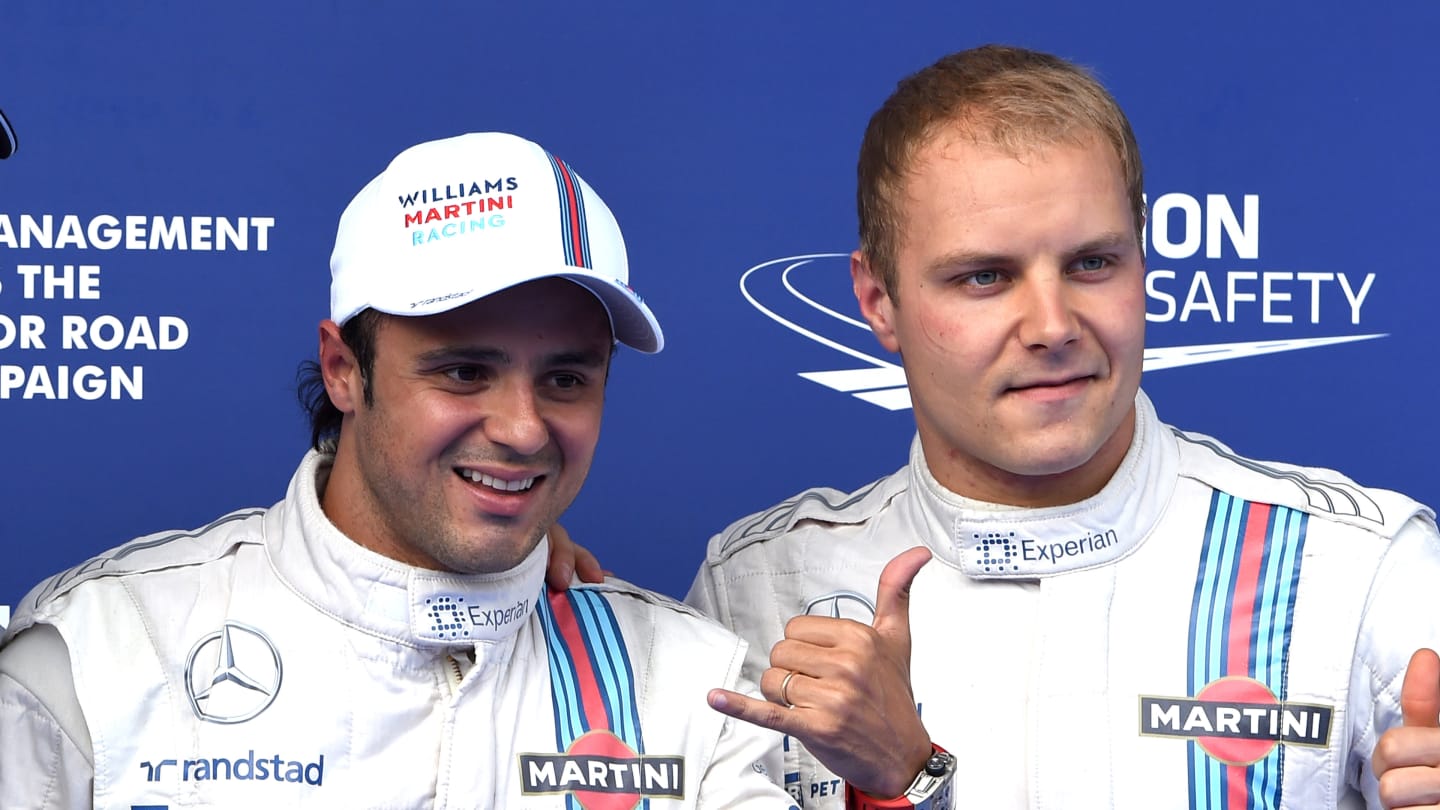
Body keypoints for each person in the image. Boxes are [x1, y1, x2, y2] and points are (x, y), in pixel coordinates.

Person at [682, 45, 1440, 809]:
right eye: (985, 276)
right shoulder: (757, 586)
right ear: (879, 301)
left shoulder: (1361, 570)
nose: (1052, 326)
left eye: (1091, 264)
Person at [0, 132, 798, 808]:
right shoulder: (101, 650)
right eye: (463, 372)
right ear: (344, 368)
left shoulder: (692, 684)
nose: (523, 431)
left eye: (565, 379)